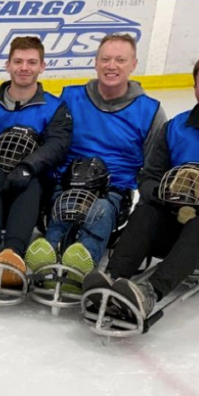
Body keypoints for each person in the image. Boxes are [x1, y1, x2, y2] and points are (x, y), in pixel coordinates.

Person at [83, 51, 199, 321]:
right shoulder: (175, 128)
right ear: (195, 88)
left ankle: (148, 293)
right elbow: (148, 178)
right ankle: (111, 279)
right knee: (145, 213)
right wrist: (164, 196)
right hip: (178, 220)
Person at [25, 34, 167, 286]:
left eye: (120, 60)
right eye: (106, 59)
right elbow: (54, 142)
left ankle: (80, 265)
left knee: (100, 210)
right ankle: (48, 253)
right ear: (96, 62)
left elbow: (155, 166)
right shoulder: (70, 97)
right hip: (67, 183)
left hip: (113, 189)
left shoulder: (150, 110)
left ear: (133, 64)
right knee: (63, 206)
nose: (112, 65)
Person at [0, 37, 72, 286]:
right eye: (18, 61)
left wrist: (27, 167)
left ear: (42, 66)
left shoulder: (55, 107)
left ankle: (12, 254)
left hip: (33, 184)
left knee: (32, 182)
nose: (25, 67)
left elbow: (57, 144)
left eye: (32, 62)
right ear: (8, 65)